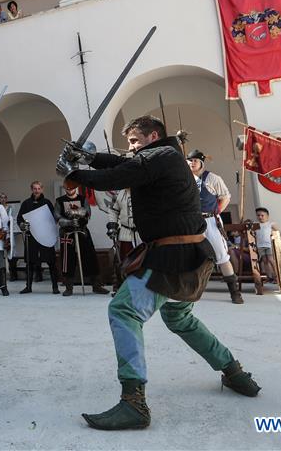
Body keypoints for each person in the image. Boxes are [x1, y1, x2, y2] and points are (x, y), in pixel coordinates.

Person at [57, 115, 260, 430]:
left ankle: (134, 402)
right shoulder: (162, 156)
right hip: (191, 255)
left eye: (136, 141)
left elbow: (120, 174)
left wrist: (75, 172)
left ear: (153, 136)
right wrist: (91, 157)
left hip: (173, 259)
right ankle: (234, 372)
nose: (131, 147)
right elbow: (123, 162)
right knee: (180, 318)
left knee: (123, 310)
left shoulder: (160, 156)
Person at [186, 150, 243, 304]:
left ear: (201, 163)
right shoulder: (183, 179)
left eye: (195, 160)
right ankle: (190, 292)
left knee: (221, 255)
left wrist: (215, 213)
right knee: (188, 256)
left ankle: (234, 292)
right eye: (189, 160)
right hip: (191, 222)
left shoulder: (212, 178)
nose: (192, 163)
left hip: (210, 221)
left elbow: (225, 197)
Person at [55, 183, 109, 296]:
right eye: (68, 188)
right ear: (65, 188)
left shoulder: (83, 199)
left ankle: (96, 285)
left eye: (72, 187)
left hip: (82, 231)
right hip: (67, 234)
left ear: (76, 188)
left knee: (90, 257)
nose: (70, 189)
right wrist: (68, 222)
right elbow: (57, 217)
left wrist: (79, 213)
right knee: (67, 260)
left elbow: (88, 213)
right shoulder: (60, 201)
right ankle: (68, 287)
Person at [17, 181, 59, 294]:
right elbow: (19, 219)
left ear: (42, 189)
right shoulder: (26, 203)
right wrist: (22, 225)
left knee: (51, 262)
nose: (37, 190)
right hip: (31, 237)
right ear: (31, 189)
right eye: (35, 188)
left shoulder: (47, 203)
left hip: (46, 236)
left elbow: (53, 219)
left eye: (39, 188)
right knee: (30, 262)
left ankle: (55, 287)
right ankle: (28, 287)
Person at [254, 207, 280, 284]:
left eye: (262, 215)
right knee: (264, 261)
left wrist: (280, 242)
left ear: (267, 216)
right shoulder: (256, 225)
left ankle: (277, 277)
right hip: (260, 245)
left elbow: (278, 233)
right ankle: (269, 277)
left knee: (271, 260)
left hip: (269, 245)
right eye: (258, 215)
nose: (260, 217)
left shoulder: (270, 224)